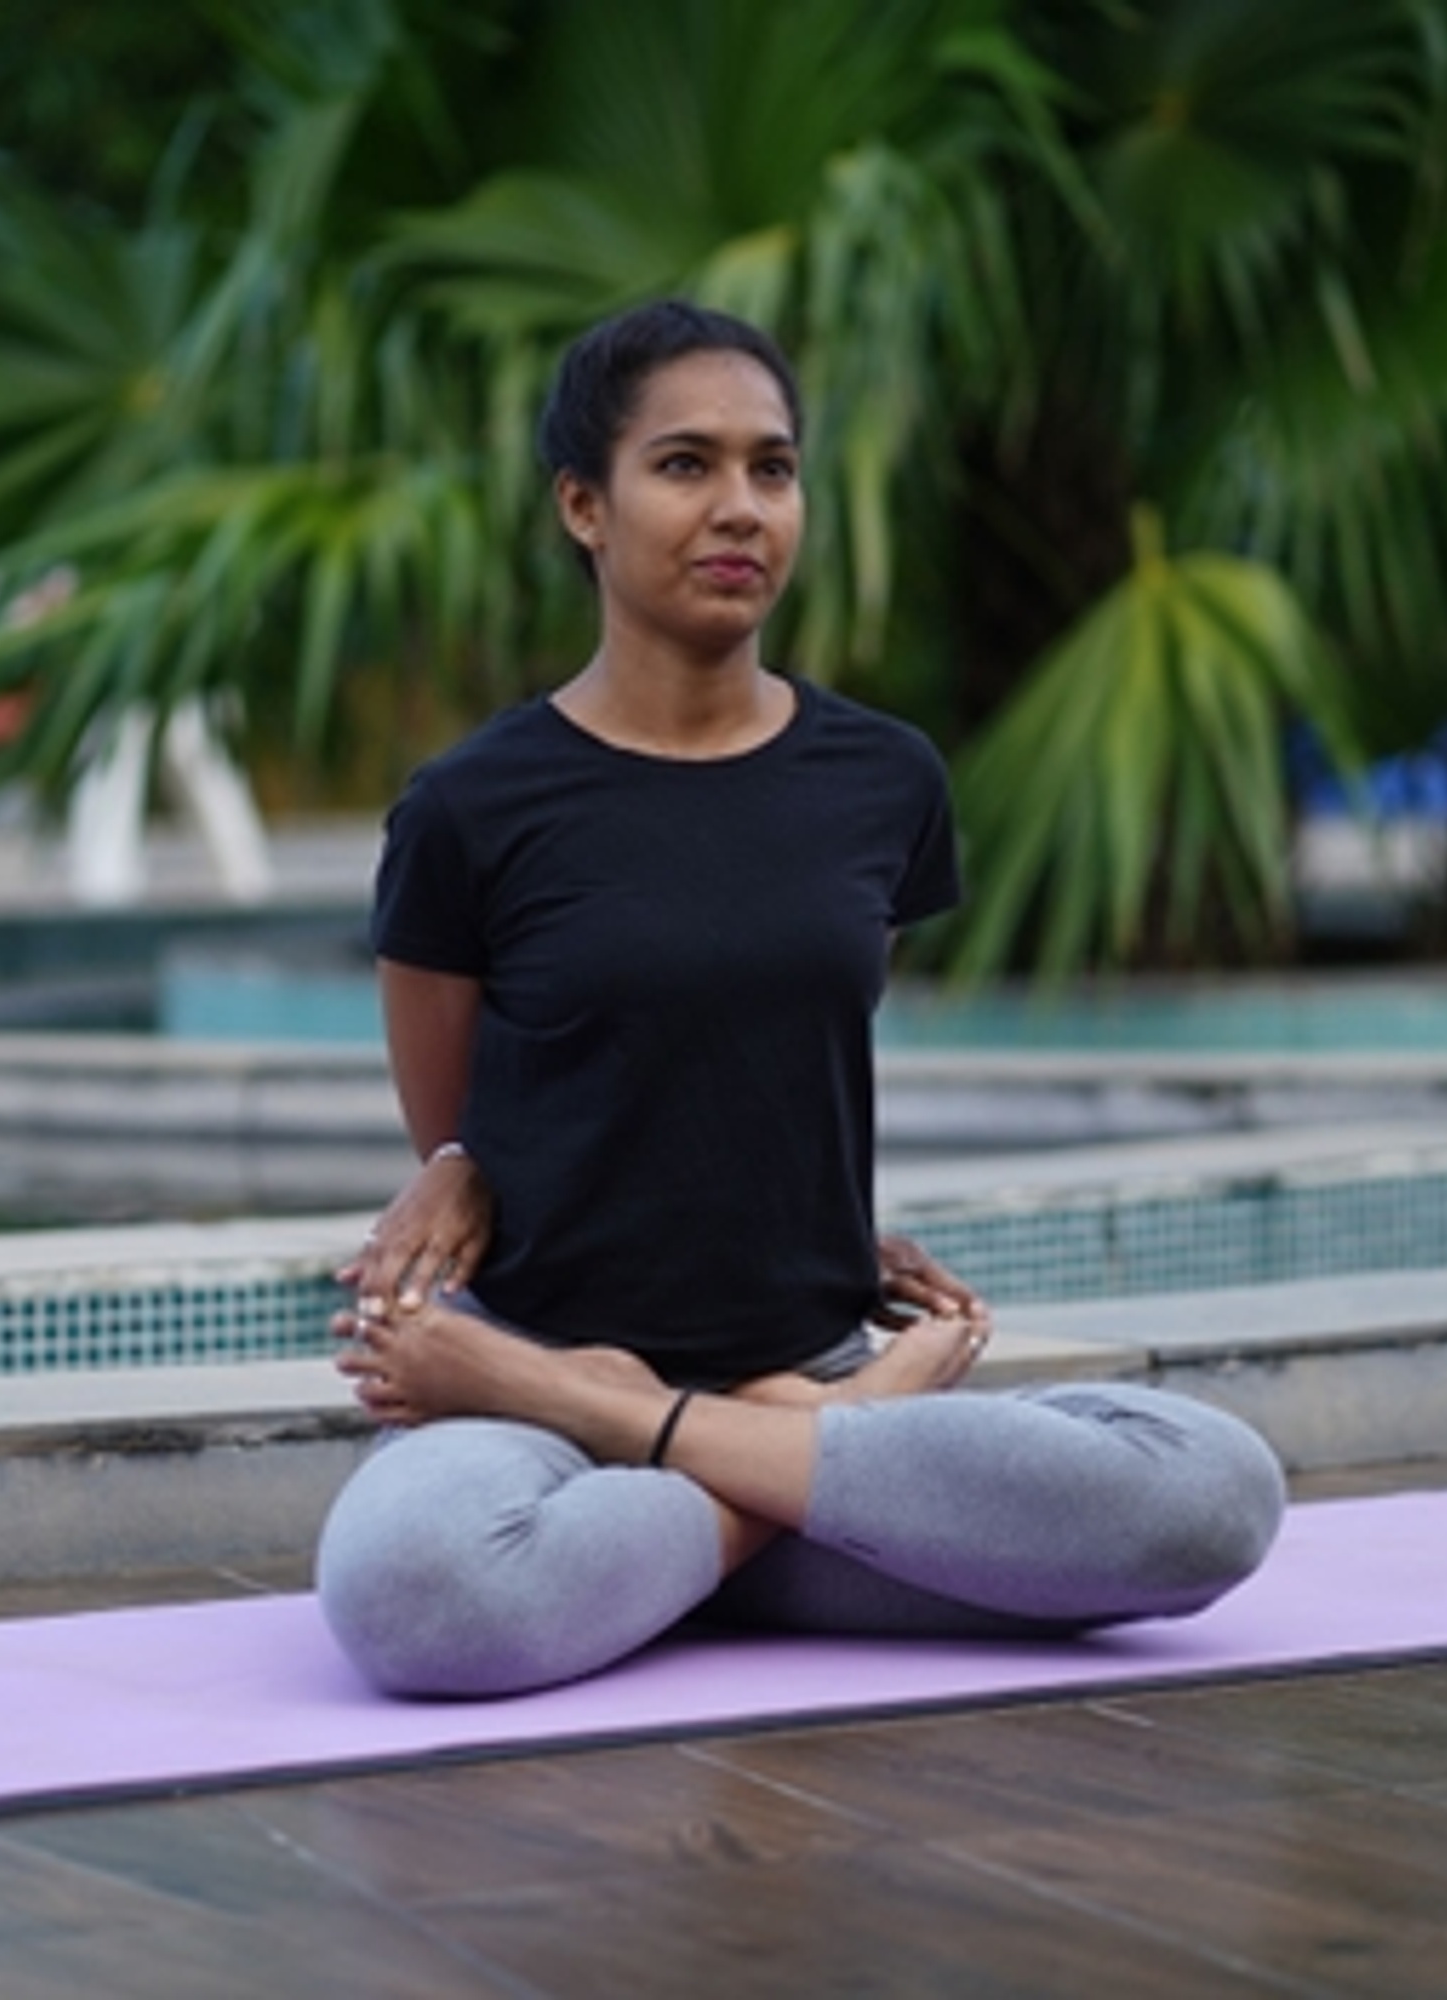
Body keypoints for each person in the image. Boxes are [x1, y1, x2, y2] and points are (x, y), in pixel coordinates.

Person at [314, 299, 1284, 1698]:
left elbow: (770, 1055)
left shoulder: (885, 782)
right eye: (685, 464)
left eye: (773, 468)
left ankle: (669, 1507)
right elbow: (457, 1122)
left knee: (1213, 1495)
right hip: (532, 1394)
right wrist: (462, 1177)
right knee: (417, 1594)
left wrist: (783, 1375)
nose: (740, 508)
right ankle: (778, 1489)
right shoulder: (473, 809)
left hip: (798, 1370)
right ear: (583, 504)